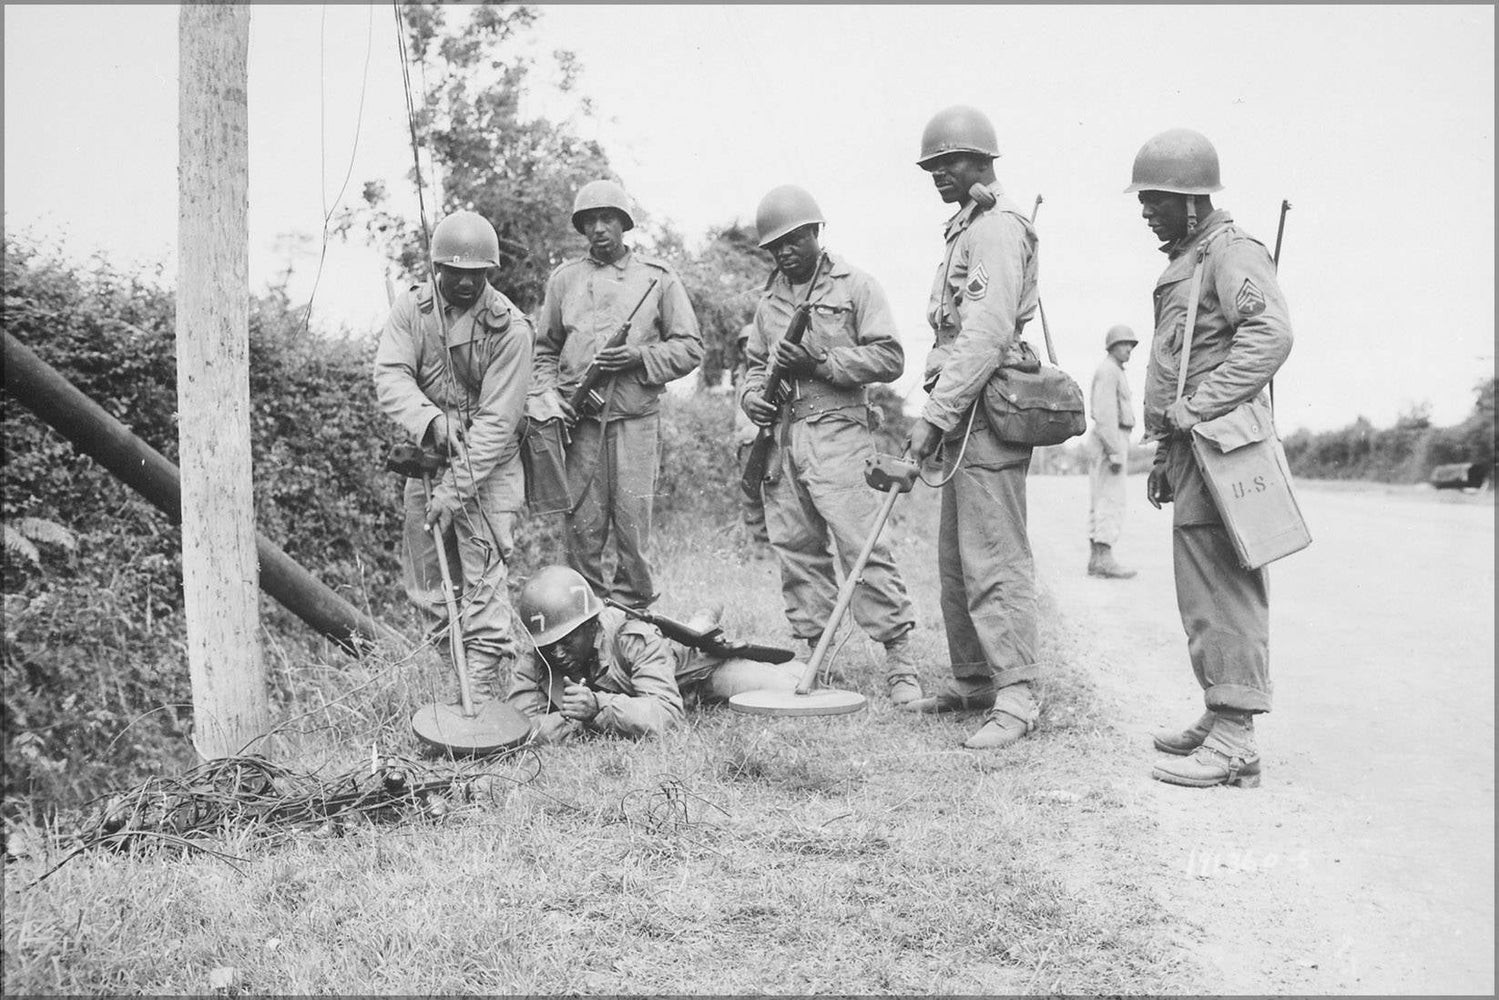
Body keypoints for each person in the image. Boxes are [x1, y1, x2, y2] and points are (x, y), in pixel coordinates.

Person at [1127, 128, 1293, 789]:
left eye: (1156, 200)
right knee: (1203, 591)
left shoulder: (1230, 251)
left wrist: (1199, 407)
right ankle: (1220, 709)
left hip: (1225, 450)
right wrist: (1166, 453)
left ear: (1193, 201)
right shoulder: (1191, 258)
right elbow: (1180, 364)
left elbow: (1269, 336)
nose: (1146, 212)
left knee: (1224, 587)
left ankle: (1235, 738)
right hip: (1194, 452)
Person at [740, 184, 921, 706]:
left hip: (839, 432)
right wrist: (752, 398)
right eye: (775, 246)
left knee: (862, 544)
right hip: (784, 439)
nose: (785, 252)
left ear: (817, 232)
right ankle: (813, 655)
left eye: (794, 240)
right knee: (797, 549)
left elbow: (890, 357)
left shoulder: (856, 286)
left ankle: (900, 661)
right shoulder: (769, 302)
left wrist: (822, 363)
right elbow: (755, 365)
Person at [899, 106, 1044, 750]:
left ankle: (1017, 694)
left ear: (984, 160)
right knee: (957, 560)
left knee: (994, 557)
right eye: (931, 165)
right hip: (963, 411)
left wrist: (935, 416)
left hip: (984, 410)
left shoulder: (996, 229)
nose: (938, 173)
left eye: (949, 161)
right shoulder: (966, 227)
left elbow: (984, 333)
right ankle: (976, 681)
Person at [373, 210, 532, 697]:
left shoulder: (511, 329)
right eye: (455, 271)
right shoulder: (412, 310)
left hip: (489, 467)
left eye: (477, 273)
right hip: (429, 461)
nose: (465, 282)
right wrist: (430, 419)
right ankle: (451, 685)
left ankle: (481, 691)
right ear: (436, 267)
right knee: (428, 582)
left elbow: (496, 424)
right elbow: (391, 374)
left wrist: (453, 492)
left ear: (490, 271)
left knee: (483, 580)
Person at [533, 179, 704, 609]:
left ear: (624, 223)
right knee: (580, 532)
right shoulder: (564, 280)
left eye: (607, 218)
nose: (598, 229)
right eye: (589, 221)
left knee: (633, 532)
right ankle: (583, 626)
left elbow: (690, 348)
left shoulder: (657, 278)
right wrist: (552, 400)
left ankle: (633, 625)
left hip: (635, 424)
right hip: (580, 429)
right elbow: (544, 352)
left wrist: (638, 357)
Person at [506, 565, 802, 743]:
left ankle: (707, 619)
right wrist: (579, 721)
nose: (557, 653)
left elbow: (668, 716)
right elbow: (517, 728)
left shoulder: (632, 636)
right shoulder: (540, 653)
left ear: (590, 625)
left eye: (567, 641)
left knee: (790, 687)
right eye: (549, 645)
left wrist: (598, 707)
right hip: (643, 691)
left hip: (693, 677)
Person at [1087, 324, 1140, 579]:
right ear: (1112, 346)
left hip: (1113, 439)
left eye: (1131, 344)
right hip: (1111, 439)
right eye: (1124, 344)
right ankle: (1103, 559)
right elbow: (1105, 413)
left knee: (1103, 498)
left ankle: (1097, 559)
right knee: (1110, 499)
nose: (1129, 349)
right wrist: (1114, 450)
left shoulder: (1114, 370)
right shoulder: (1109, 371)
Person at [733, 321, 771, 546]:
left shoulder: (768, 373)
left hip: (766, 439)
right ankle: (760, 546)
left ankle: (775, 546)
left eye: (751, 343)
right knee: (750, 496)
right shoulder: (739, 376)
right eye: (743, 345)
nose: (747, 349)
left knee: (773, 494)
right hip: (745, 442)